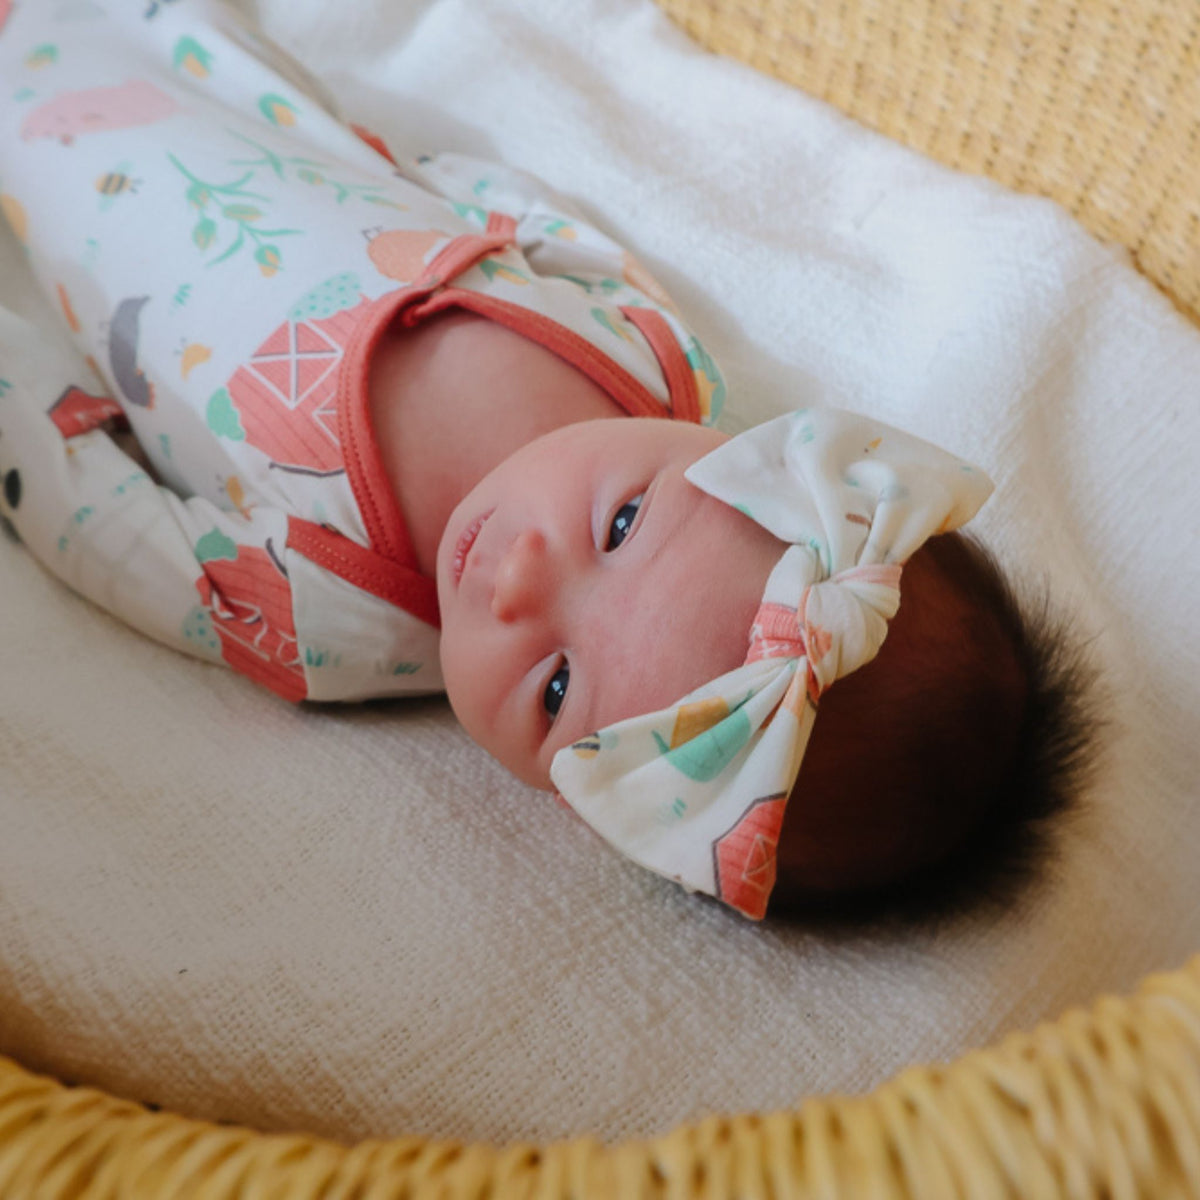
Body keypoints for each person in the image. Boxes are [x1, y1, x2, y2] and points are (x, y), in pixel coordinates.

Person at [0, 0, 1093, 921]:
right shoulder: (648, 357)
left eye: (558, 688)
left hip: (51, 189)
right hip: (244, 96)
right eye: (620, 527)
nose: (516, 582)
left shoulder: (332, 621)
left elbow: (99, 522)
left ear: (578, 797)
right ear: (747, 448)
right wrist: (417, 173)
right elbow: (536, 226)